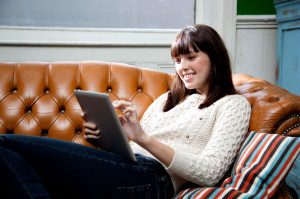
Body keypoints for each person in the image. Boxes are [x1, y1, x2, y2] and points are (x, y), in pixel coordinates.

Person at [0, 24, 251, 199]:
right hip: (129, 167)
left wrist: (142, 138)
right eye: (177, 60)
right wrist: (103, 140)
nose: (182, 67)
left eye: (191, 57)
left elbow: (210, 172)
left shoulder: (232, 104)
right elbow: (133, 152)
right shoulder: (168, 99)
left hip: (155, 179)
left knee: (4, 144)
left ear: (215, 58)